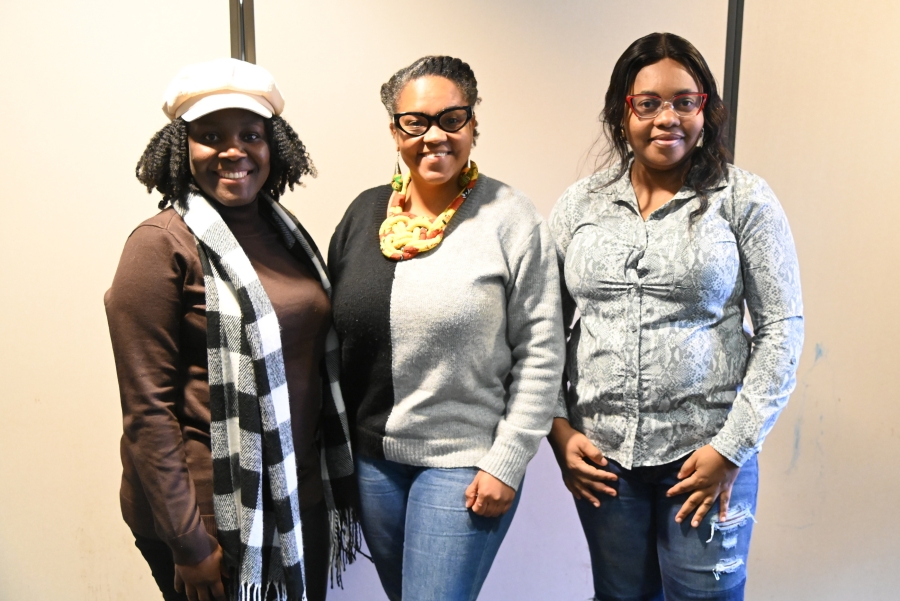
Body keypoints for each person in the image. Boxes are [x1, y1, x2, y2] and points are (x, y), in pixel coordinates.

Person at [548, 33, 803, 601]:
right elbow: (542, 332)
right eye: (649, 103)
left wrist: (732, 447)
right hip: (603, 460)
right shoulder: (580, 206)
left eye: (685, 101)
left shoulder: (743, 200)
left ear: (704, 110)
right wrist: (558, 431)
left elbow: (783, 329)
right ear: (623, 113)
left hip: (705, 456)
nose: (668, 118)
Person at [105, 58, 358, 601]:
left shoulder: (286, 235)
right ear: (181, 147)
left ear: (275, 146)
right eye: (210, 136)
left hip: (294, 496)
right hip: (208, 513)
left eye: (251, 134)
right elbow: (148, 412)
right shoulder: (159, 245)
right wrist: (188, 544)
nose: (233, 150)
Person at [327, 55, 565, 601]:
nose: (434, 135)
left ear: (473, 125)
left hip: (463, 461)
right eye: (416, 121)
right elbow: (332, 334)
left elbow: (542, 351)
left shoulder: (511, 217)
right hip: (375, 462)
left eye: (451, 118)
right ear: (395, 131)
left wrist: (508, 461)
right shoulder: (365, 214)